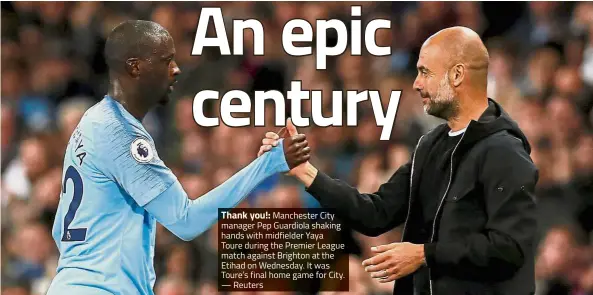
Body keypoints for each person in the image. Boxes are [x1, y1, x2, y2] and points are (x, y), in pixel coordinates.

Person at [260, 26, 538, 295]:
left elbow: (510, 247)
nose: (416, 84)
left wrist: (424, 254)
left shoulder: (504, 151)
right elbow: (376, 213)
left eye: (425, 72)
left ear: (456, 75)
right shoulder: (430, 146)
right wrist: (304, 170)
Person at [46, 20, 310, 295]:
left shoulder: (93, 120)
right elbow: (186, 220)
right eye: (165, 61)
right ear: (135, 67)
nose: (176, 70)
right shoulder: (121, 134)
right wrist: (270, 162)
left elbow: (61, 230)